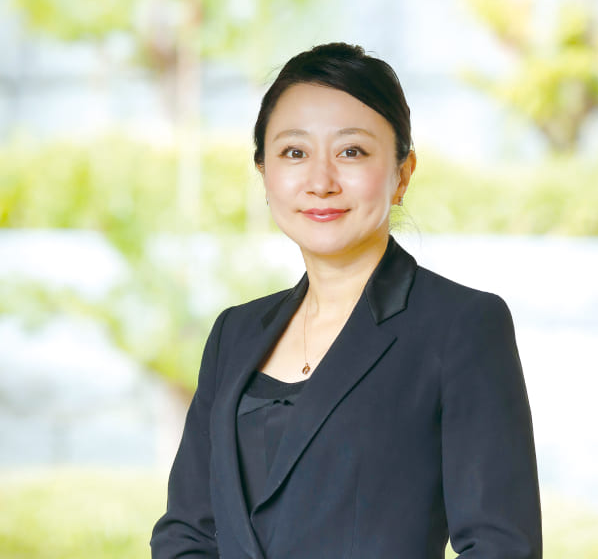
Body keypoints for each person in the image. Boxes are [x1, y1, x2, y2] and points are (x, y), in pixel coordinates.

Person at [151, 42, 542, 559]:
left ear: (403, 173)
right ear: (264, 172)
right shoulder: (234, 333)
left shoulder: (462, 326)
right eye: (294, 153)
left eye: (351, 151)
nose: (320, 182)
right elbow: (187, 531)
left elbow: (501, 546)